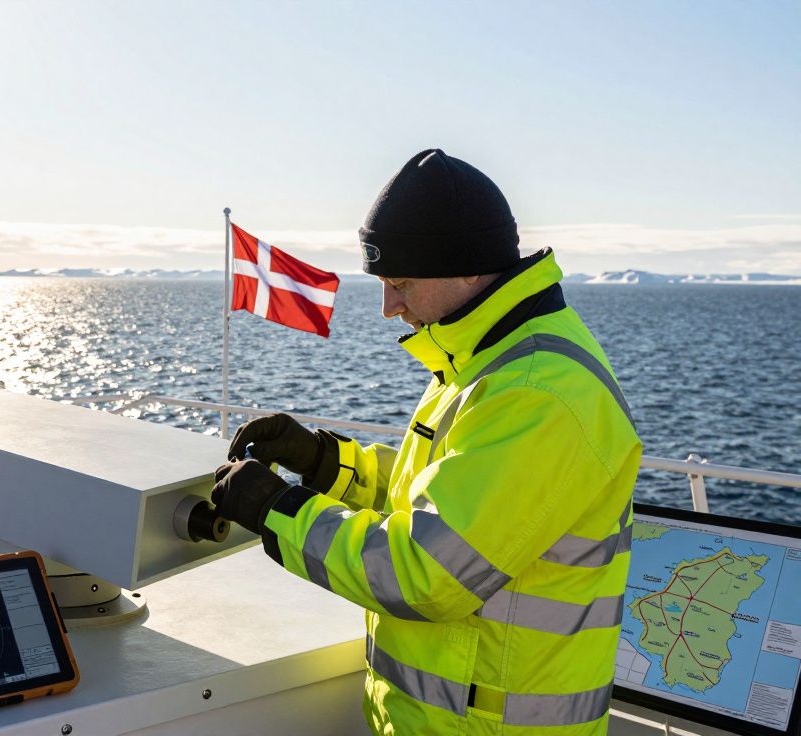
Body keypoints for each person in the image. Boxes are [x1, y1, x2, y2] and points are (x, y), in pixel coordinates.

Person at [211, 149, 641, 735]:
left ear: (468, 266)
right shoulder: (489, 362)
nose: (390, 308)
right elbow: (442, 502)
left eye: (401, 282)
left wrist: (275, 510)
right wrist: (325, 462)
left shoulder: (538, 392)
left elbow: (427, 572)